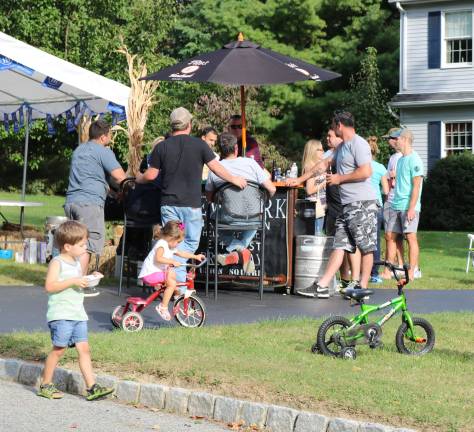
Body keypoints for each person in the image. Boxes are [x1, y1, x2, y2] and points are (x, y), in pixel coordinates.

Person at [136, 107, 247, 284]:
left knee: (171, 242)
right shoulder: (200, 145)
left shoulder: (162, 146)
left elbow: (150, 175)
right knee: (190, 243)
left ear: (172, 126)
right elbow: (216, 168)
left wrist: (139, 177)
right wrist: (234, 178)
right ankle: (178, 284)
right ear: (189, 125)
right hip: (191, 206)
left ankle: (174, 281)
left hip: (169, 204)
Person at [293, 111, 378, 298]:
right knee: (339, 245)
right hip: (346, 205)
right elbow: (322, 165)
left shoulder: (359, 143)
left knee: (366, 246)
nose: (331, 130)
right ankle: (322, 286)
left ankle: (361, 287)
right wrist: (300, 179)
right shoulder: (342, 147)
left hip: (362, 203)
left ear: (339, 125)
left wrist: (340, 178)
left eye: (333, 126)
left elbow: (366, 171)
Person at [37, 221, 114, 401]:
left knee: (84, 350)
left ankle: (91, 386)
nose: (85, 247)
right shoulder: (58, 263)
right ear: (67, 246)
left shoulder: (77, 263)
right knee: (59, 350)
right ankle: (46, 384)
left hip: (78, 314)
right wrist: (73, 281)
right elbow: (49, 286)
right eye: (81, 245)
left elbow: (78, 281)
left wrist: (90, 278)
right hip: (61, 314)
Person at [64, 119, 126, 296]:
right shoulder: (103, 151)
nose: (111, 139)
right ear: (104, 136)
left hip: (71, 202)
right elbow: (120, 177)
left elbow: (92, 178)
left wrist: (112, 194)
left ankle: (70, 281)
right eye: (110, 135)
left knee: (74, 244)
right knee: (87, 245)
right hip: (89, 204)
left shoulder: (79, 150)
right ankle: (79, 286)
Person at [205, 133, 276, 272]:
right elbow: (272, 189)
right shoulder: (250, 163)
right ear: (236, 148)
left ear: (220, 149)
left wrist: (225, 200)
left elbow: (209, 198)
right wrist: (263, 200)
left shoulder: (215, 169)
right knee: (258, 213)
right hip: (254, 217)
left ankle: (237, 252)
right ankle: (243, 251)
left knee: (213, 218)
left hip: (229, 217)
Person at [138, 221, 205, 321]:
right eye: (177, 242)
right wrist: (172, 261)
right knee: (172, 282)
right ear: (170, 237)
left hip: (156, 272)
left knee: (172, 274)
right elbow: (158, 259)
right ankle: (163, 307)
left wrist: (195, 256)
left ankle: (177, 296)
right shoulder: (162, 244)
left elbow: (181, 253)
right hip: (149, 274)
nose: (178, 244)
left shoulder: (169, 245)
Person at [385, 129, 424, 281]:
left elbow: (416, 186)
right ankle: (390, 271)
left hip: (409, 207)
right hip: (396, 205)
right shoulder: (400, 160)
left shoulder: (415, 159)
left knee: (410, 237)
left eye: (398, 139)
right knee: (391, 236)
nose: (396, 141)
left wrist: (411, 208)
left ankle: (412, 272)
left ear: (405, 139)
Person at [381, 128, 405, 278]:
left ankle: (388, 270)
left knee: (390, 236)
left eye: (389, 138)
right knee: (397, 237)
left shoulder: (400, 157)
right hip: (395, 200)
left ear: (395, 139)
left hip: (394, 201)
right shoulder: (394, 157)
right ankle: (401, 266)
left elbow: (394, 179)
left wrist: (391, 176)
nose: (387, 141)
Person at [367, 136, 389, 283]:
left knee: (359, 239)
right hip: (376, 205)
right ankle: (374, 273)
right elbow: (386, 191)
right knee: (374, 240)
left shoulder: (358, 166)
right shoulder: (380, 168)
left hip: (361, 203)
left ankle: (359, 271)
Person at [301, 140, 326, 235]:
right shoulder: (310, 167)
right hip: (315, 207)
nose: (323, 151)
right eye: (320, 149)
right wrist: (324, 182)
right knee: (316, 236)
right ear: (313, 151)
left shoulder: (317, 166)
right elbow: (309, 190)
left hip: (320, 207)